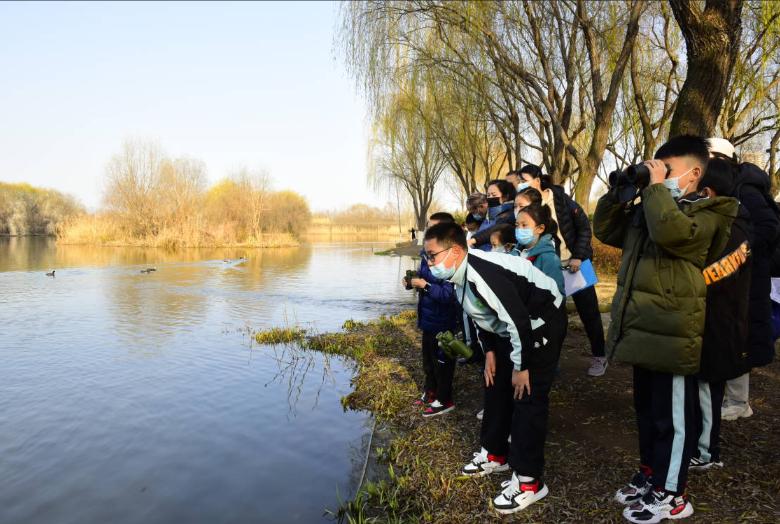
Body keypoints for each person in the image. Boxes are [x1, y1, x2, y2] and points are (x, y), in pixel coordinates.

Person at [593, 135, 737, 523]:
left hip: (674, 332)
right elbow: (607, 232)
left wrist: (656, 191)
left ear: (693, 174)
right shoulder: (655, 207)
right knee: (646, 411)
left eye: (667, 170)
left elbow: (676, 236)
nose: (659, 176)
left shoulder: (714, 210)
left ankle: (673, 494)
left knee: (672, 420)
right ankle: (651, 475)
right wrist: (619, 192)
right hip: (643, 327)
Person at [423, 222, 566, 515]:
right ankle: (495, 453)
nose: (429, 264)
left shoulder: (481, 273)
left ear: (456, 251)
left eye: (432, 256)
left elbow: (518, 322)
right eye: (426, 257)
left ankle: (529, 482)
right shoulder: (458, 274)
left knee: (527, 395)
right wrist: (489, 349)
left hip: (541, 322)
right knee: (494, 383)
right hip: (511, 329)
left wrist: (522, 366)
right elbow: (481, 314)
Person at [709, 138, 780, 421]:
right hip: (733, 273)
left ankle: (739, 401)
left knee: (739, 334)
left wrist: (740, 252)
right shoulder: (733, 185)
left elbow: (768, 227)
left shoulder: (745, 188)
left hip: (747, 275)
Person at [690, 158, 753, 473]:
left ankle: (706, 451)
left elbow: (709, 278)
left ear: (708, 191)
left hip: (717, 325)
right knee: (704, 389)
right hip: (721, 322)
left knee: (706, 388)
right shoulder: (739, 222)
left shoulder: (729, 229)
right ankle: (702, 444)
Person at [518, 164, 608, 376]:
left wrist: (578, 255)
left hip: (576, 266)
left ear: (538, 179)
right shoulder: (531, 207)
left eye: (525, 178)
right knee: (554, 317)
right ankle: (552, 361)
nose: (521, 183)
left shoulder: (561, 199)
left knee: (590, 313)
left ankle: (599, 357)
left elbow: (584, 228)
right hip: (551, 267)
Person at [406, 212, 460, 417]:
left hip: (444, 320)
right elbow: (424, 278)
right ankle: (431, 390)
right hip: (427, 317)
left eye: (433, 228)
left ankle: (445, 399)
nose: (429, 231)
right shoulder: (426, 254)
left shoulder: (451, 260)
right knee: (428, 359)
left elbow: (448, 295)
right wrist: (412, 283)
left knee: (443, 362)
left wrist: (425, 286)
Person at [512, 203, 565, 296]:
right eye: (517, 225)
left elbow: (557, 295)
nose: (519, 229)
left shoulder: (550, 259)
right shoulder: (513, 254)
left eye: (524, 225)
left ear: (540, 228)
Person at [468, 180, 517, 251]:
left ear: (505, 197)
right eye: (488, 195)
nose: (490, 198)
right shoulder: (489, 216)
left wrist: (473, 240)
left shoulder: (510, 216)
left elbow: (493, 230)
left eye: (494, 195)